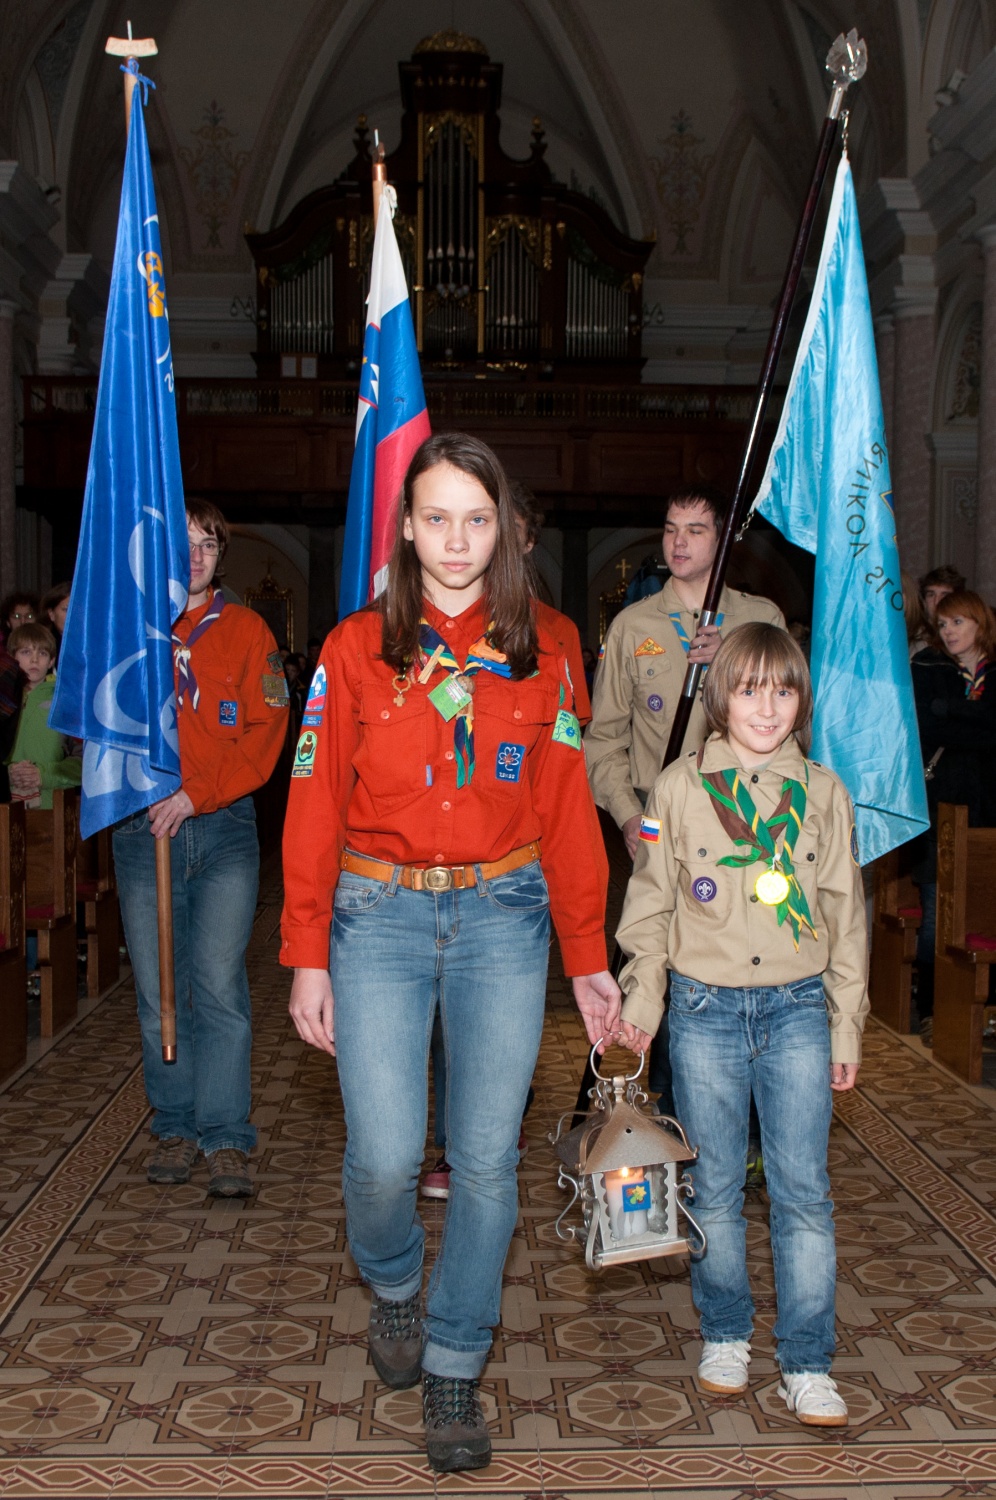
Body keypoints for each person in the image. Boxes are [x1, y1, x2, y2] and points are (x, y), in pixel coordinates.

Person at [282, 432, 619, 1474]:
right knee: (384, 1158)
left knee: (483, 1160)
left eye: (477, 518)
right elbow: (311, 803)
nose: (458, 538)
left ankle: (456, 1357)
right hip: (375, 917)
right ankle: (391, 1284)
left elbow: (566, 811)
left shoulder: (551, 649)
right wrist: (306, 952)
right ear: (408, 528)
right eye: (437, 517)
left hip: (503, 919)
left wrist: (588, 954)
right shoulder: (353, 649)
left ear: (504, 529)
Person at [615, 622, 868, 1428]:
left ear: (802, 700)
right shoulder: (679, 790)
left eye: (783, 689)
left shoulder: (823, 791)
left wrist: (846, 1027)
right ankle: (725, 1331)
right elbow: (649, 910)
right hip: (703, 1010)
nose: (767, 706)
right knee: (714, 1189)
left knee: (803, 1194)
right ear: (721, 695)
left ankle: (807, 1359)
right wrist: (639, 1014)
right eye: (750, 688)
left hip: (797, 1008)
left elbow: (844, 917)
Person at [584, 486, 784, 1128]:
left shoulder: (760, 621)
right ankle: (680, 1125)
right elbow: (604, 743)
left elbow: (791, 729)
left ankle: (752, 1125)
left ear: (723, 540)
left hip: (746, 830)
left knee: (750, 973)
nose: (678, 542)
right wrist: (625, 818)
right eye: (671, 529)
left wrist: (732, 663)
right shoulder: (633, 626)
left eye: (696, 530)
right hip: (660, 831)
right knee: (664, 975)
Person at [420, 477, 594, 1202]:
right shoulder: (419, 635)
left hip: (513, 864)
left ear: (520, 541)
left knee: (496, 1029)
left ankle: (492, 1126)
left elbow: (565, 748)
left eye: (500, 527)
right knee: (436, 1023)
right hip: (429, 865)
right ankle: (452, 1136)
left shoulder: (553, 635)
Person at [113, 499, 288, 1197]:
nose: (194, 556)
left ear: (222, 556)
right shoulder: (136, 631)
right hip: (142, 831)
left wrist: (198, 794)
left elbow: (266, 733)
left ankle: (223, 1135)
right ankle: (175, 1124)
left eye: (207, 545)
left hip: (222, 833)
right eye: (182, 544)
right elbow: (107, 723)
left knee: (218, 986)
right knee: (160, 989)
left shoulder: (247, 632)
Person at [910, 589, 996, 1041]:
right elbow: (927, 723)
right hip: (938, 804)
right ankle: (931, 1008)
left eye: (957, 623)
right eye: (943, 625)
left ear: (979, 623)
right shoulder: (928, 667)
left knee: (987, 908)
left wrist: (955, 712)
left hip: (989, 806)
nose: (948, 632)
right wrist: (974, 718)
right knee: (936, 913)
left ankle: (987, 1010)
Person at [4, 623, 81, 807]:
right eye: (26, 652)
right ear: (11, 657)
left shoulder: (66, 702)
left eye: (43, 653)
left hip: (52, 805)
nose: (34, 660)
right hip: (5, 804)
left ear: (52, 661)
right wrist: (7, 773)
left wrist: (43, 775)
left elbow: (85, 762)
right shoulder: (3, 701)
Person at [911, 564, 966, 654]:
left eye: (944, 595)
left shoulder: (966, 635)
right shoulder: (913, 636)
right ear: (924, 600)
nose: (937, 601)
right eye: (931, 595)